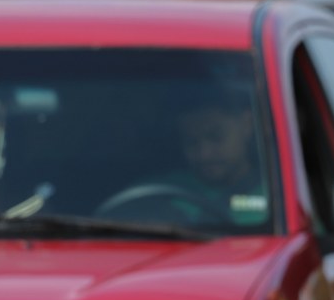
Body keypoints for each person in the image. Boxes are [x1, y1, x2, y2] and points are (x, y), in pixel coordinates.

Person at [102, 88, 267, 225]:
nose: (204, 154)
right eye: (191, 142)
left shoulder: (275, 194)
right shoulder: (154, 189)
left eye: (216, 137)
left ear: (246, 125)